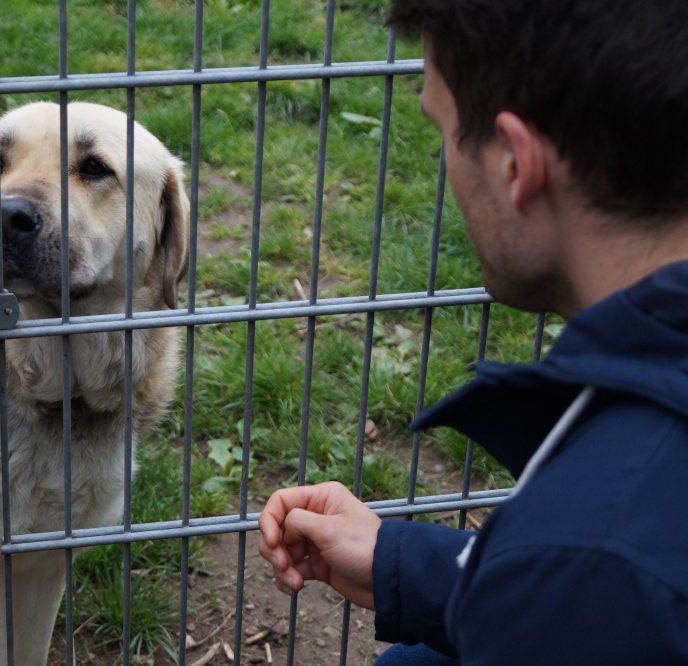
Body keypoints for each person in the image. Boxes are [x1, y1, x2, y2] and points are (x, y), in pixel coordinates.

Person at [258, 0, 688, 663]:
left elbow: (591, 582)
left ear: (516, 165)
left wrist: (537, 569)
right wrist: (402, 560)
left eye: (445, 130)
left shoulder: (597, 559)